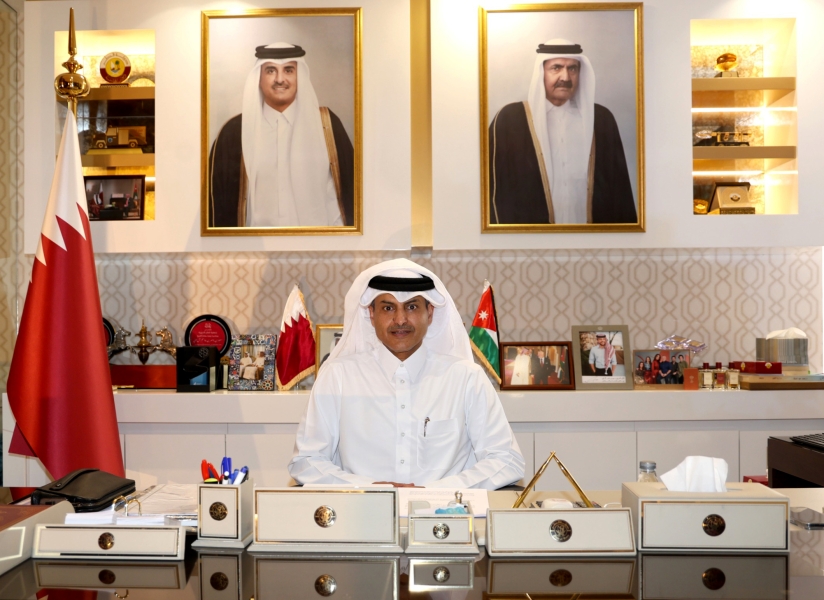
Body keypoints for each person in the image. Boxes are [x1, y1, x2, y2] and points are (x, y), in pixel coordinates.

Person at [289, 259, 525, 488]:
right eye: (388, 308)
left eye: (411, 307)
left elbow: (507, 460)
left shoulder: (466, 378)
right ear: (371, 314)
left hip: (446, 510)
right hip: (361, 508)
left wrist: (435, 493)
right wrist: (371, 489)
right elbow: (306, 462)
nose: (400, 319)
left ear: (430, 313)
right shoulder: (337, 377)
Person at [488, 39, 637, 225]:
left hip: (589, 236)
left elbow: (620, 190)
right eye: (556, 68)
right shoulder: (510, 120)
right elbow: (493, 190)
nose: (565, 77)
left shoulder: (601, 119)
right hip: (532, 237)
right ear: (541, 73)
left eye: (572, 69)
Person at [208, 43, 354, 228]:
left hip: (316, 242)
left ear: (299, 76)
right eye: (270, 71)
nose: (279, 79)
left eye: (288, 70)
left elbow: (345, 199)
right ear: (258, 78)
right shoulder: (234, 132)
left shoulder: (327, 125)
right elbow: (218, 207)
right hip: (253, 244)